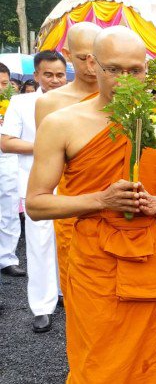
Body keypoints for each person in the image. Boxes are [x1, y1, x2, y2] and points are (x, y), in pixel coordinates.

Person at [26, 26, 156, 382]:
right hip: (97, 265)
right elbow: (36, 204)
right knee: (100, 363)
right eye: (113, 69)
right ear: (94, 65)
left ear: (146, 69)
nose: (125, 80)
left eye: (135, 70)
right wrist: (101, 200)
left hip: (155, 259)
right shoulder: (62, 123)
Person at [1, 50, 67, 332]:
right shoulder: (21, 101)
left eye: (60, 74)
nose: (54, 80)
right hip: (37, 184)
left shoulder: (79, 100)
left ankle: (66, 292)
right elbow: (7, 143)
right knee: (39, 245)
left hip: (74, 186)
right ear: (36, 76)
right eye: (48, 75)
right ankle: (42, 306)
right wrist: (47, 148)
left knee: (70, 242)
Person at [34, 23, 102, 295]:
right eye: (82, 57)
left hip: (119, 206)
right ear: (67, 53)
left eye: (95, 57)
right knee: (79, 287)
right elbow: (49, 162)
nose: (90, 65)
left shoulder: (123, 96)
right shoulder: (50, 103)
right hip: (73, 204)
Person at [0, 63, 24, 278]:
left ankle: (7, 258)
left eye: (5, 83)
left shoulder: (14, 104)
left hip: (8, 161)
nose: (1, 87)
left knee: (9, 210)